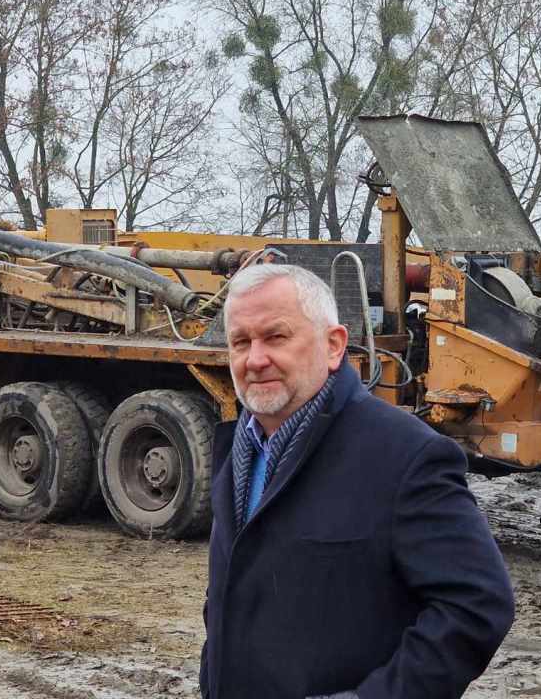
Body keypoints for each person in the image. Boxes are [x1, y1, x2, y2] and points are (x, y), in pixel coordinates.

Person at [200, 263, 515, 699]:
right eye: (240, 342)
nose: (255, 359)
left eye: (276, 337)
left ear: (333, 346)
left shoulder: (405, 455)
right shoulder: (239, 449)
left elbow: (477, 605)